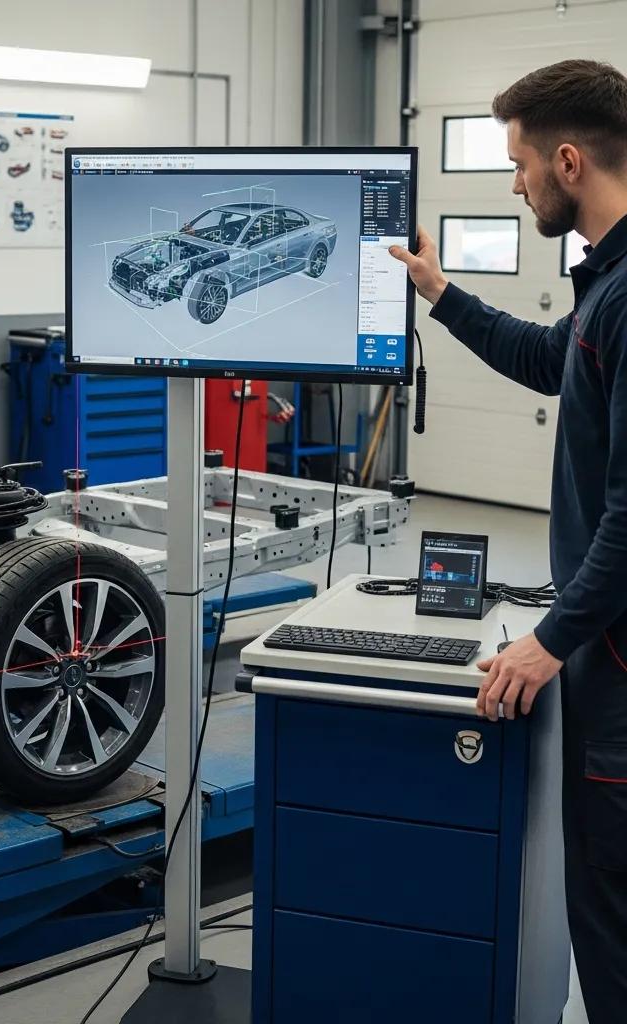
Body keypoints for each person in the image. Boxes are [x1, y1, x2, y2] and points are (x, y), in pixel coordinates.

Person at [391, 58, 627, 1023]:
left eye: (520, 163)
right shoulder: (608, 285)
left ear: (567, 160)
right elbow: (548, 360)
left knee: (610, 917)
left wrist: (549, 641)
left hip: (616, 661)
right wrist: (438, 290)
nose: (515, 183)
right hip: (605, 649)